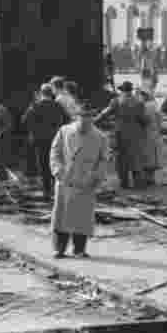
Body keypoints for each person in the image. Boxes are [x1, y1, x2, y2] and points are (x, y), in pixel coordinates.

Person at [49, 103, 110, 259]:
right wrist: (58, 171)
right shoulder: (64, 131)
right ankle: (59, 248)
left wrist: (96, 177)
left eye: (89, 117)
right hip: (66, 180)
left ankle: (79, 249)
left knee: (82, 218)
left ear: (93, 118)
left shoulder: (100, 137)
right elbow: (55, 153)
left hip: (86, 181)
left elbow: (103, 160)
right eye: (82, 116)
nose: (85, 120)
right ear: (76, 116)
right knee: (61, 216)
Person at [94, 81, 149, 189]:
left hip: (120, 133)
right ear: (131, 90)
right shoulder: (139, 102)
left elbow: (104, 114)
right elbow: (144, 120)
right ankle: (138, 183)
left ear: (122, 91)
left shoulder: (116, 101)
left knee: (121, 159)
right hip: (135, 134)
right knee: (135, 158)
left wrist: (94, 121)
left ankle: (124, 183)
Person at [23, 84, 70, 199]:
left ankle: (47, 191)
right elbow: (67, 119)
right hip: (56, 138)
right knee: (55, 163)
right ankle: (57, 189)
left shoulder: (36, 105)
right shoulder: (57, 106)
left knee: (43, 164)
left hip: (40, 139)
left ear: (41, 93)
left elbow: (25, 120)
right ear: (51, 93)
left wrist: (34, 130)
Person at [138, 89, 163, 186]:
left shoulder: (144, 106)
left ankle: (147, 178)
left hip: (146, 133)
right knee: (154, 155)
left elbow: (143, 120)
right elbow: (160, 119)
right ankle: (151, 178)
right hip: (155, 132)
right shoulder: (155, 105)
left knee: (146, 155)